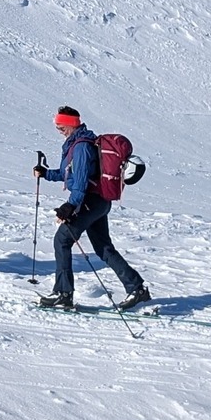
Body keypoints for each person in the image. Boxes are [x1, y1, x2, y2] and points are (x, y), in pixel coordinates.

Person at [33, 106, 149, 310]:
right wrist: (46, 173)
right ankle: (136, 288)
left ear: (71, 124)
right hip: (98, 202)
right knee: (103, 248)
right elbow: (67, 173)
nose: (59, 130)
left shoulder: (82, 146)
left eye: (61, 127)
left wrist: (70, 205)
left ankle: (63, 293)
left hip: (89, 201)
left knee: (62, 240)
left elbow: (81, 181)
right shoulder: (75, 144)